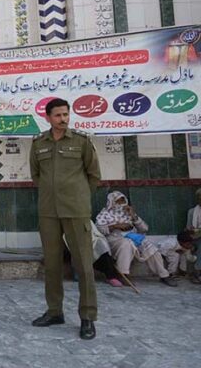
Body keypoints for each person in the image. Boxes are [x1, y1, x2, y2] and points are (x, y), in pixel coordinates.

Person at [29, 98, 100, 340]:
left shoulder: (81, 141)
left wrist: (77, 196)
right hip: (48, 211)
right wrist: (53, 195)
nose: (63, 119)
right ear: (47, 117)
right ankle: (54, 311)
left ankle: (88, 316)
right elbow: (36, 175)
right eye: (58, 115)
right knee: (52, 264)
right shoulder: (38, 143)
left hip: (75, 210)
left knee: (83, 265)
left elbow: (94, 175)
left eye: (66, 114)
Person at [95, 191, 177, 287]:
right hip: (114, 239)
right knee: (127, 243)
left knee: (150, 247)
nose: (121, 204)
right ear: (112, 202)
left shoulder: (128, 213)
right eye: (118, 201)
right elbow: (98, 230)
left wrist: (134, 216)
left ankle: (164, 275)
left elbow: (144, 229)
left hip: (133, 236)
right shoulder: (105, 214)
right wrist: (115, 226)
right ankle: (123, 274)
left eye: (123, 201)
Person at [65, 220, 123, 287]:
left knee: (101, 246)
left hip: (91, 240)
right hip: (71, 241)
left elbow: (95, 232)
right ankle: (80, 270)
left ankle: (111, 276)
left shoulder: (85, 218)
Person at [186, 188, 201, 283]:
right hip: (196, 237)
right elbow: (188, 228)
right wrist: (192, 229)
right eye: (199, 197)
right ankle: (198, 272)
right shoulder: (192, 212)